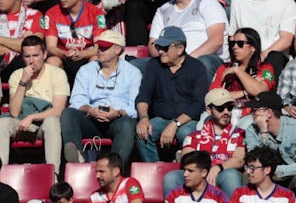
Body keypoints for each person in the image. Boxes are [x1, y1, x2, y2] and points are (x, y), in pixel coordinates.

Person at [60, 29, 141, 163]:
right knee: (68, 113)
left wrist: (118, 113)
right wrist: (90, 110)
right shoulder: (86, 70)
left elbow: (134, 107)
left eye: (105, 47)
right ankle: (77, 157)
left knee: (128, 123)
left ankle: (114, 166)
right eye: (99, 47)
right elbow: (77, 99)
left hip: (117, 119)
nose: (99, 50)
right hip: (91, 117)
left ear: (117, 49)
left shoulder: (133, 73)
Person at [0, 36, 68, 166]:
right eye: (27, 56)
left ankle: (53, 174)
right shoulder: (17, 75)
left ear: (44, 54)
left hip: (44, 124)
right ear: (22, 57)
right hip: (21, 122)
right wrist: (23, 82)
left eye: (36, 55)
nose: (32, 61)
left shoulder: (57, 74)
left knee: (53, 122)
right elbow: (14, 112)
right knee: (1, 124)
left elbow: (58, 110)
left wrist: (32, 117)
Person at [135, 27, 209, 160]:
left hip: (187, 120)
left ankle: (185, 172)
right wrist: (144, 118)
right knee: (143, 132)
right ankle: (154, 172)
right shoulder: (153, 65)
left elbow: (198, 104)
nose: (160, 51)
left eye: (165, 47)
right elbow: (143, 96)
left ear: (180, 49)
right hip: (161, 118)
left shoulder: (197, 68)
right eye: (158, 47)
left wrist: (175, 124)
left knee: (186, 134)